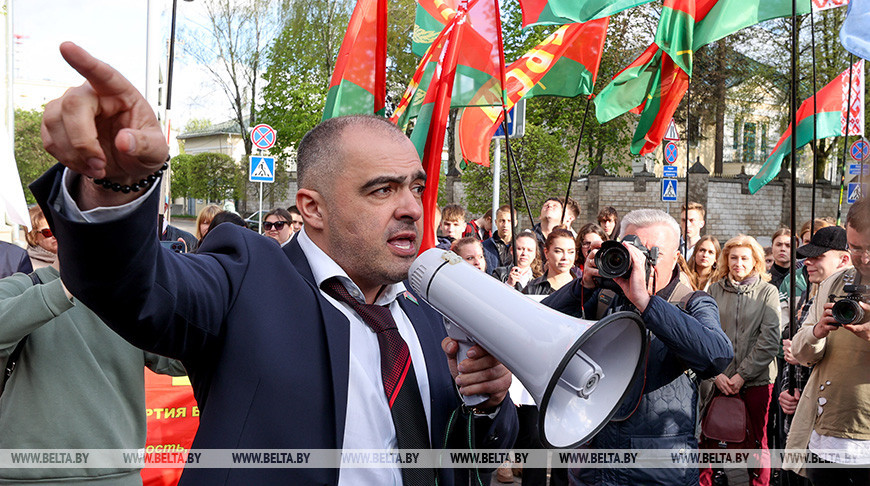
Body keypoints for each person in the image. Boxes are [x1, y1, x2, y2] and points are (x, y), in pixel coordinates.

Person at [35, 43, 517, 485]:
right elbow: (133, 286)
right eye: (382, 189)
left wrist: (490, 404)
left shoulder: (433, 315)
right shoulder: (246, 277)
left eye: (415, 187)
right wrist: (111, 187)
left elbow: (475, 457)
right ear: (311, 208)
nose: (411, 206)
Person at [542, 209, 733, 485]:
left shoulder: (692, 302)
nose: (640, 262)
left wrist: (646, 302)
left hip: (659, 474)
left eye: (651, 255)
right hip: (592, 470)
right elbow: (540, 328)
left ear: (676, 258)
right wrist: (581, 286)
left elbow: (717, 356)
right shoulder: (604, 295)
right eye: (632, 251)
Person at [0, 205, 185, 485]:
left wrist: (182, 292)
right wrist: (68, 286)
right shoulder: (21, 287)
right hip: (27, 476)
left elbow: (182, 358)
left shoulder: (131, 300)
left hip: (116, 476)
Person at [784, 199, 870, 485]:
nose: (865, 258)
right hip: (825, 436)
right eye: (856, 248)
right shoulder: (835, 283)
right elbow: (800, 351)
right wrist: (817, 332)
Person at [701, 235, 780, 486]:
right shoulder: (714, 289)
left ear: (755, 260)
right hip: (719, 378)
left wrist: (741, 375)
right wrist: (718, 374)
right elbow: (705, 334)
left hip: (756, 380)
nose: (738, 263)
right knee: (710, 437)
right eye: (733, 257)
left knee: (757, 440)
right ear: (725, 259)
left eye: (744, 258)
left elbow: (769, 340)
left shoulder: (768, 292)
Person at [777, 226, 850, 486]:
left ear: (844, 259)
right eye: (808, 255)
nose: (808, 262)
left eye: (818, 256)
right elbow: (792, 355)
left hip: (833, 430)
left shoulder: (850, 303)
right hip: (801, 422)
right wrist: (786, 391)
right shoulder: (811, 297)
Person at [523, 228, 577, 296]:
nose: (565, 257)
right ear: (546, 253)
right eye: (558, 251)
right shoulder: (532, 289)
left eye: (571, 252)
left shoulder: (583, 288)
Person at [483, 205, 515, 274]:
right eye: (502, 221)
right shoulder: (485, 246)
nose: (505, 225)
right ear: (496, 222)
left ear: (515, 223)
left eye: (509, 221)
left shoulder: (520, 246)